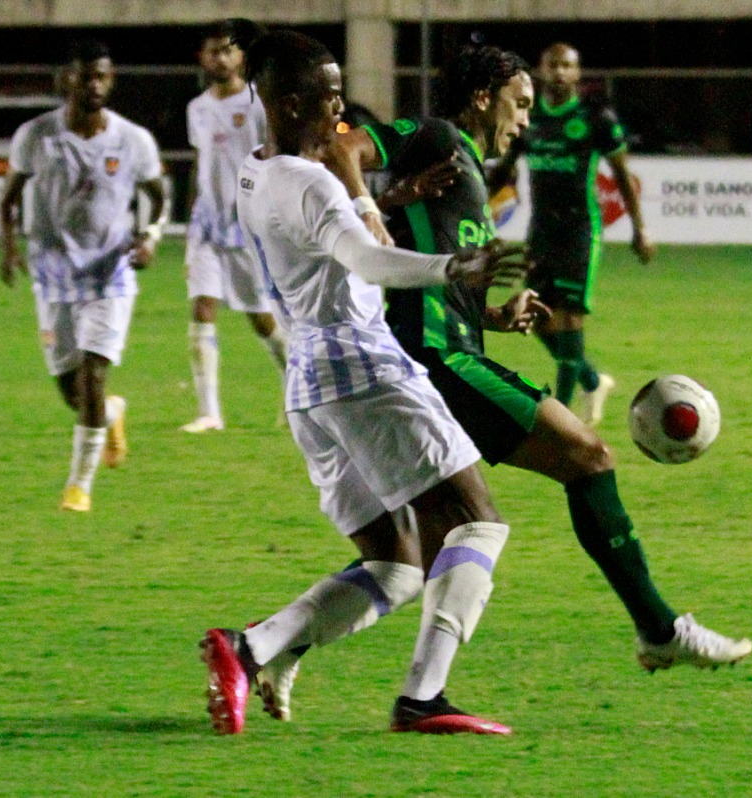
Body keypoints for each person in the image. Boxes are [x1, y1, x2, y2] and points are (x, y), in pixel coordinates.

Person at [264, 43, 750, 724]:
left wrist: (491, 310)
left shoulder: (458, 168)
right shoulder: (434, 137)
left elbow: (425, 275)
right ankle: (659, 630)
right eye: (519, 104)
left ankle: (286, 651)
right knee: (587, 457)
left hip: (432, 348)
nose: (524, 121)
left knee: (413, 557)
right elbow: (341, 144)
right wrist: (375, 209)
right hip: (436, 362)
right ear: (486, 95)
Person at [199, 30, 529, 736]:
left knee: (398, 566)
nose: (342, 112)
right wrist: (455, 270)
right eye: (330, 98)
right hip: (363, 368)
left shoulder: (254, 172)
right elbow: (369, 264)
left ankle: (250, 647)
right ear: (289, 104)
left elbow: (334, 247)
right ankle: (423, 699)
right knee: (477, 522)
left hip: (310, 382)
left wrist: (388, 196)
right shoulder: (310, 180)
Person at [0, 41, 167, 512]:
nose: (94, 84)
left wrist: (150, 235)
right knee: (71, 390)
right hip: (52, 273)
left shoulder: (133, 140)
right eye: (85, 76)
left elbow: (159, 195)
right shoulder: (36, 135)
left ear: (110, 81)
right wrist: (8, 247)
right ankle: (111, 413)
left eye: (102, 76)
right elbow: (10, 197)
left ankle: (79, 486)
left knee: (93, 374)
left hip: (110, 272)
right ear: (65, 81)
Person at [492, 42, 654, 426]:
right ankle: (593, 380)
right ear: (541, 71)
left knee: (568, 320)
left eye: (568, 66)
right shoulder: (527, 118)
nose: (560, 73)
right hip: (541, 231)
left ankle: (561, 415)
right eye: (554, 65)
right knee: (533, 317)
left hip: (579, 230)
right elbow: (504, 171)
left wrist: (640, 228)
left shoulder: (595, 117)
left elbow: (623, 177)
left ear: (578, 74)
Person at [181, 20, 288, 433]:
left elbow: (275, 158)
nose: (221, 58)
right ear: (203, 58)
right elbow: (201, 166)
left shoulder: (259, 103)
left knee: (260, 317)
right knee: (202, 306)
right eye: (214, 51)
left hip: (250, 224)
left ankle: (293, 388)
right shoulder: (198, 108)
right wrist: (192, 219)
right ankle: (209, 412)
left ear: (242, 56)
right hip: (208, 224)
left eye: (229, 50)